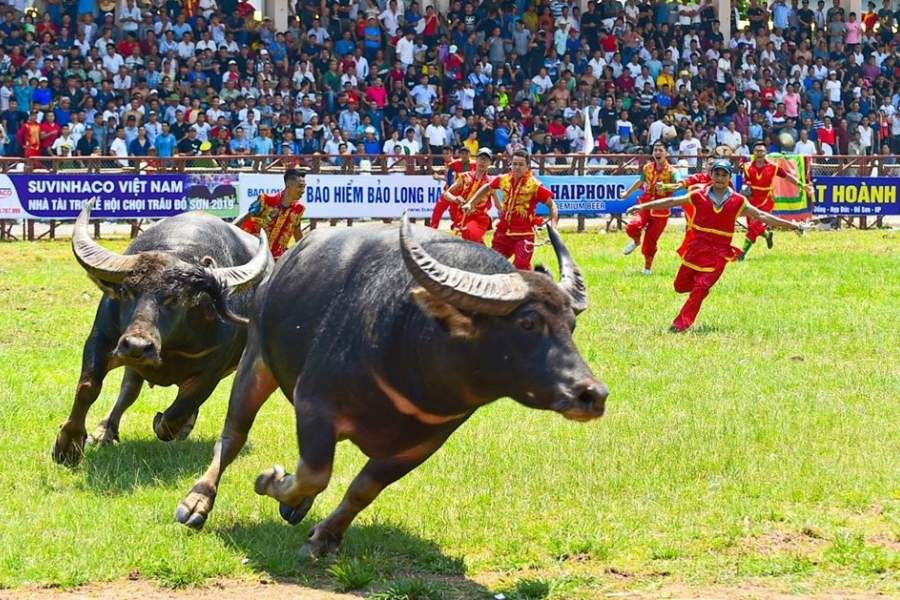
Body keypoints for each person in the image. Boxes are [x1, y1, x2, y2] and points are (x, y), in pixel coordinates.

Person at [625, 160, 803, 333]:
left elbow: (761, 216)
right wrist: (642, 206)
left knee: (702, 287)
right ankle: (698, 291)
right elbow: (671, 202)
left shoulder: (738, 201)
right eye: (716, 174)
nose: (719, 178)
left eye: (723, 175)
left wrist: (794, 226)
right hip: (696, 248)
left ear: (729, 178)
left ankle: (681, 323)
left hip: (720, 252)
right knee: (679, 286)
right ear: (711, 175)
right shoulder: (697, 195)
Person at [465, 149, 557, 270]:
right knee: (492, 266)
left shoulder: (535, 186)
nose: (517, 167)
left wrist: (554, 228)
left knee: (520, 267)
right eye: (514, 164)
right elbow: (487, 187)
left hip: (524, 235)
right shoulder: (503, 180)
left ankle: (531, 280)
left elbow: (552, 205)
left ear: (528, 167)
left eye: (521, 164)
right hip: (503, 234)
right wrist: (471, 203)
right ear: (510, 165)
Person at [739, 141, 814, 259]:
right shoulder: (747, 167)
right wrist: (745, 188)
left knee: (754, 226)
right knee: (753, 226)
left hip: (766, 200)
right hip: (752, 200)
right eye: (757, 151)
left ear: (766, 153)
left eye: (762, 151)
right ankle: (767, 235)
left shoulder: (773, 167)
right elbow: (745, 181)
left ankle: (742, 254)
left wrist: (802, 185)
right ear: (753, 152)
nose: (759, 153)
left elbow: (787, 176)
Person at [619, 142, 679, 275]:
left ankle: (647, 268)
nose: (657, 153)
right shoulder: (647, 168)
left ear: (666, 154)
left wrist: (666, 187)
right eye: (655, 150)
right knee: (633, 226)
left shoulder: (673, 171)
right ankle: (636, 241)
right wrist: (626, 193)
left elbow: (679, 185)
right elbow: (640, 181)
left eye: (660, 150)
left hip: (661, 209)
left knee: (651, 241)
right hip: (645, 204)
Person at [236, 168, 307, 260]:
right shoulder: (265, 200)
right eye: (300, 186)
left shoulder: (298, 209)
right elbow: (246, 217)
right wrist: (228, 232)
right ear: (289, 185)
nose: (303, 190)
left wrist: (305, 252)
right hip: (252, 254)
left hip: (277, 259)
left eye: (304, 187)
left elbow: (297, 232)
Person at [439, 147, 495, 243]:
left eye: (486, 159)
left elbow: (498, 204)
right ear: (476, 160)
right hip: (462, 217)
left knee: (467, 236)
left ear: (490, 163)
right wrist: (455, 198)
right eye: (481, 158)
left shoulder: (491, 182)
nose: (483, 162)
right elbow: (446, 193)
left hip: (479, 219)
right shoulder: (464, 176)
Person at [428, 146, 474, 229]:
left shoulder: (474, 164)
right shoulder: (453, 164)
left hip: (461, 194)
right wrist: (449, 187)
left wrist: (440, 178)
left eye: (466, 154)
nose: (464, 156)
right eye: (462, 154)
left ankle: (456, 227)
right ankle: (433, 227)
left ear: (469, 154)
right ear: (459, 154)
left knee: (455, 214)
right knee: (438, 208)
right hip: (451, 192)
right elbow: (449, 176)